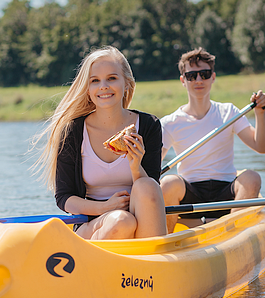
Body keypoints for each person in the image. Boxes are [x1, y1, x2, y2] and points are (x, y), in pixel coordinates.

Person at [32, 46, 167, 240]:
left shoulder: (148, 126)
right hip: (92, 224)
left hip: (141, 219)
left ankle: (153, 263)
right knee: (122, 221)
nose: (103, 86)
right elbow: (64, 198)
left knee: (147, 186)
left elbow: (152, 190)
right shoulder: (73, 131)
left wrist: (136, 166)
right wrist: (106, 207)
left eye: (112, 78)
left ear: (127, 83)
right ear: (88, 89)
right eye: (95, 81)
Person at [160, 47, 265, 233]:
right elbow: (152, 167)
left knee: (252, 177)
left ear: (213, 77)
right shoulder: (169, 122)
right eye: (191, 76)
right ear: (183, 80)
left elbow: (261, 147)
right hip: (190, 194)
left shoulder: (229, 112)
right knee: (167, 183)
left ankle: (234, 235)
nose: (198, 80)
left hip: (226, 191)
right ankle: (164, 244)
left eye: (204, 74)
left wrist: (260, 114)